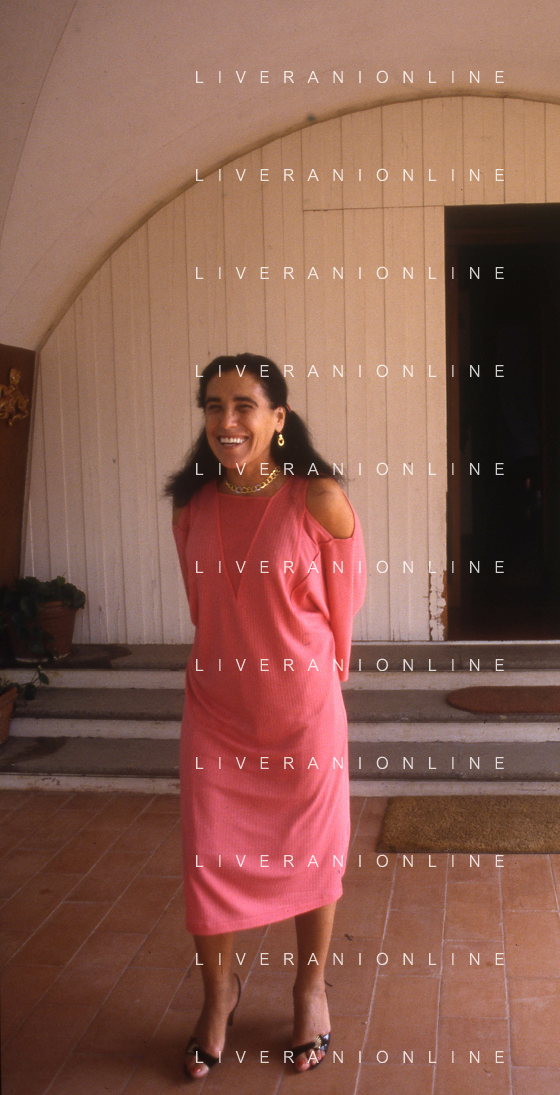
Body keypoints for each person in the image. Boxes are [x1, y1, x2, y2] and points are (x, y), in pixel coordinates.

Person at [165, 353, 366, 1077]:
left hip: (302, 717)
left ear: (277, 418)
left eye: (244, 405)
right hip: (217, 716)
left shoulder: (318, 499)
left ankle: (310, 989)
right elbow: (205, 609)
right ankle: (218, 994)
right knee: (207, 859)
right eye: (214, 406)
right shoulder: (192, 506)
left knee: (315, 856)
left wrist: (309, 682)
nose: (227, 421)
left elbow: (343, 609)